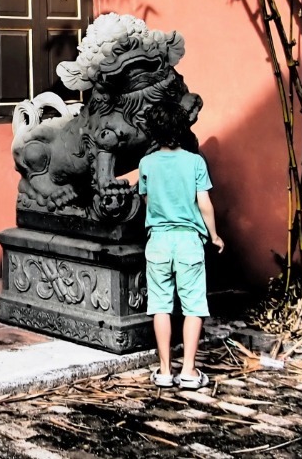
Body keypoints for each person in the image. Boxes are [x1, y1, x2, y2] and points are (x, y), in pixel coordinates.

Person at [120, 103, 224, 390]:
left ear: (153, 132)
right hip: (189, 241)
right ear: (182, 129)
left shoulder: (147, 164)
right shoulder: (195, 162)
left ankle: (164, 371)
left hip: (158, 242)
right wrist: (214, 235)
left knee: (161, 306)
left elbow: (146, 200)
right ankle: (189, 372)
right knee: (193, 306)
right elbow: (204, 204)